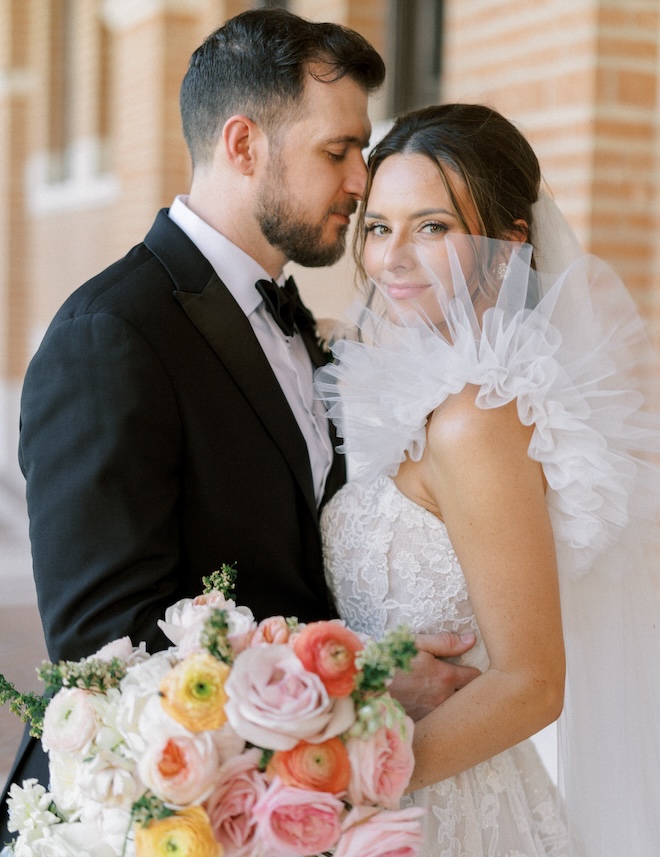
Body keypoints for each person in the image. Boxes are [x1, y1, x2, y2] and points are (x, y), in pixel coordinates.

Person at [1, 10, 479, 842]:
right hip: (157, 814)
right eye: (337, 151)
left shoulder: (307, 330)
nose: (362, 179)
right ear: (244, 144)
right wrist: (359, 689)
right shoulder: (111, 334)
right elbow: (107, 644)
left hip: (296, 808)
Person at [317, 103, 660, 857]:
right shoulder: (422, 395)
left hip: (442, 808)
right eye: (379, 227)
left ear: (507, 250)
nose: (391, 259)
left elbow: (532, 682)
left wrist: (352, 789)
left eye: (432, 228)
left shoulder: (478, 417)